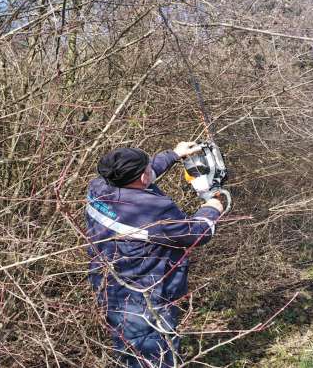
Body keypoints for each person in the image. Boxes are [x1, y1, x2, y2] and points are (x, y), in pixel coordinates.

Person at [85, 142, 224, 367]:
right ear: (141, 178)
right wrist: (211, 209)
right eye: (147, 168)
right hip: (145, 296)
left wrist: (174, 155)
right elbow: (198, 233)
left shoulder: (99, 186)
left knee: (127, 345)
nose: (151, 169)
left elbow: (141, 177)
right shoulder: (154, 211)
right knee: (153, 354)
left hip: (109, 284)